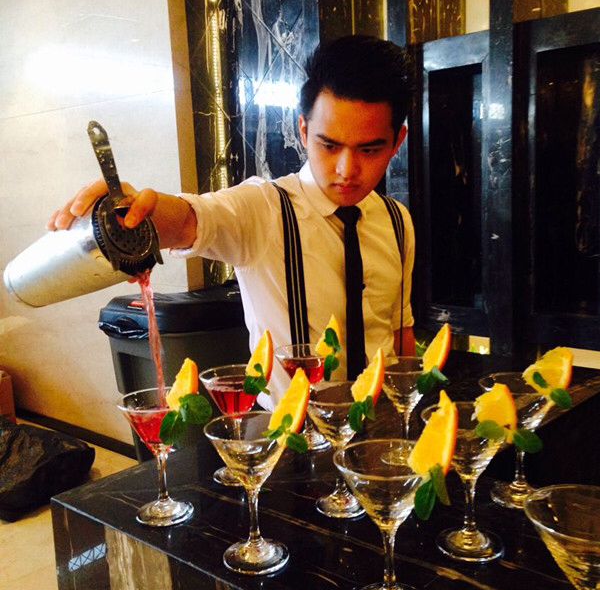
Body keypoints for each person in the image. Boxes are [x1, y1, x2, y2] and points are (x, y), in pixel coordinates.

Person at [49, 35, 416, 402]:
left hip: (381, 423)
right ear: (304, 132)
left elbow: (399, 332)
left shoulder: (397, 221)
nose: (347, 169)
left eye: (369, 150)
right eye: (329, 145)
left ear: (397, 142)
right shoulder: (264, 208)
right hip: (290, 428)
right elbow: (191, 220)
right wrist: (138, 214)